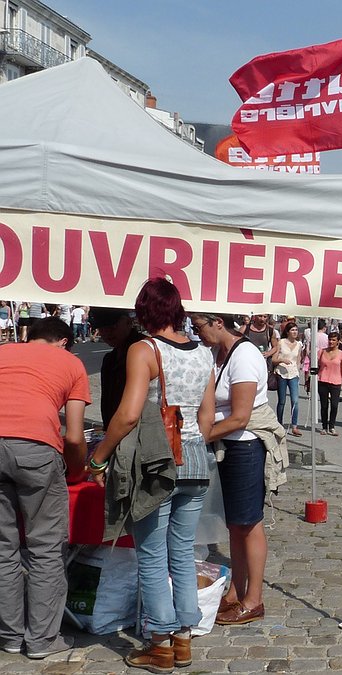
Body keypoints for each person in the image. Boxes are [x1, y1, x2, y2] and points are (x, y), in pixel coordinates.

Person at [89, 279, 215, 672]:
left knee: (151, 553)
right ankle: (183, 638)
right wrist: (193, 443)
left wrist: (99, 457)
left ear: (142, 312)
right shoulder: (203, 353)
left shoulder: (145, 350)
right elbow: (208, 416)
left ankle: (159, 640)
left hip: (157, 463)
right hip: (195, 460)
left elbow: (128, 414)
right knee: (182, 552)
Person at [0, 317, 90, 659]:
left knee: (3, 547)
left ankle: (9, 636)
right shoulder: (71, 363)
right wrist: (78, 470)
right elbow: (74, 435)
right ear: (65, 341)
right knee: (45, 548)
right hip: (36, 448)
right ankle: (41, 640)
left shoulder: (3, 352)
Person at [193, 313, 284, 626]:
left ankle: (253, 598)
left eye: (199, 326)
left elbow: (240, 417)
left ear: (218, 322)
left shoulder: (244, 355)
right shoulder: (218, 353)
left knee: (249, 522)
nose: (197, 333)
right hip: (228, 445)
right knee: (235, 524)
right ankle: (236, 590)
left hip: (244, 445)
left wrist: (198, 436)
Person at [92, 308, 147, 429]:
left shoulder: (145, 350)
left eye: (112, 327)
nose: (107, 333)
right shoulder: (110, 358)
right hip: (116, 429)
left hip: (139, 430)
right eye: (102, 328)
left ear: (128, 322)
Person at [273, 322, 303, 437]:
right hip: (282, 372)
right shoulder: (281, 342)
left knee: (295, 400)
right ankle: (279, 424)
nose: (295, 332)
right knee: (282, 401)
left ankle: (294, 426)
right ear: (287, 332)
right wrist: (282, 360)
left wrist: (299, 369)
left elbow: (298, 359)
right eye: (292, 330)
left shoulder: (299, 344)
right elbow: (274, 359)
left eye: (296, 330)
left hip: (293, 373)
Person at [317, 333, 342, 435]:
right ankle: (324, 426)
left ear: (338, 341)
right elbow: (316, 365)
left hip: (336, 381)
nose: (331, 342)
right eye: (330, 339)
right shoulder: (321, 351)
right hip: (323, 380)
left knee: (334, 405)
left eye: (334, 340)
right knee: (324, 405)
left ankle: (332, 426)